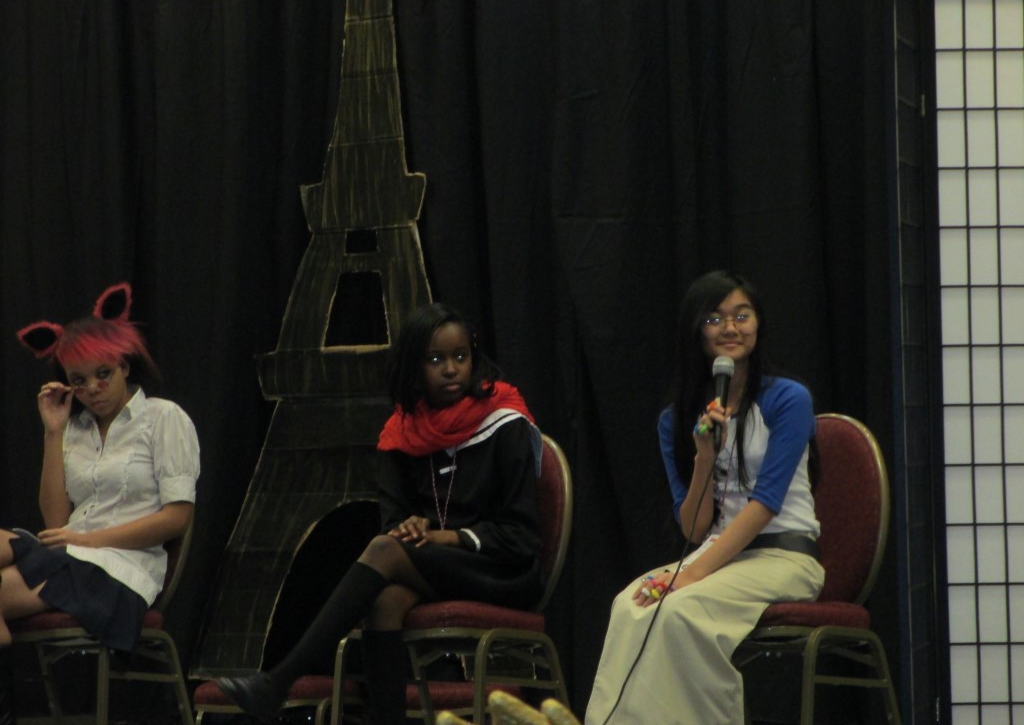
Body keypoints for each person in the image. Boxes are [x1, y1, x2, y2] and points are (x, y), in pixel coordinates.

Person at [216, 302, 544, 724]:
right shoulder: (401, 434)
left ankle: (278, 681)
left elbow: (522, 534)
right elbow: (394, 525)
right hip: (441, 568)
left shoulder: (504, 422)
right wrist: (410, 525)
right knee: (384, 599)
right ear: (414, 366)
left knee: (383, 551)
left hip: (502, 568)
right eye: (436, 359)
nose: (450, 369)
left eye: (460, 357)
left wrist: (450, 536)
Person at [585, 270, 825, 725]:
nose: (730, 327)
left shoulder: (788, 399)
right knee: (629, 606)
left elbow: (765, 504)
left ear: (759, 324)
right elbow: (695, 529)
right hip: (718, 556)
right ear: (696, 332)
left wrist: (690, 575)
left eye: (742, 315)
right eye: (715, 318)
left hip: (784, 557)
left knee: (680, 611)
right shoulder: (676, 420)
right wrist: (704, 458)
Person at [5, 283, 200, 725]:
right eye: (78, 381)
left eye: (103, 374)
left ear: (124, 365)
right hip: (67, 559)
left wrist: (87, 540)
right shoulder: (75, 431)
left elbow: (177, 518)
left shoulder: (163, 418)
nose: (92, 388)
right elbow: (55, 520)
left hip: (119, 575)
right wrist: (53, 431)